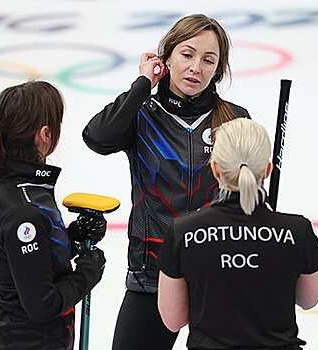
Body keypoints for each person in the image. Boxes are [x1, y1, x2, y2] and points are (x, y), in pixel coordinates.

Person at [82, 14, 251, 349]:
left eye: (208, 60)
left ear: (218, 70)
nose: (196, 68)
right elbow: (97, 137)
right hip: (152, 278)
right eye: (187, 55)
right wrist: (142, 83)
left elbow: (249, 198)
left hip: (217, 275)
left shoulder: (235, 118)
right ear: (167, 56)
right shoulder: (141, 112)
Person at [157, 118, 318, 349]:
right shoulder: (297, 230)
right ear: (267, 170)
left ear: (215, 169)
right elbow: (309, 299)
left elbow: (173, 319)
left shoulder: (183, 231)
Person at [0, 81, 107, 350]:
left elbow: (22, 261)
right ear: (45, 134)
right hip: (29, 341)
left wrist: (71, 237)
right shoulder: (26, 212)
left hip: (5, 334)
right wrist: (87, 273)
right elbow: (43, 306)